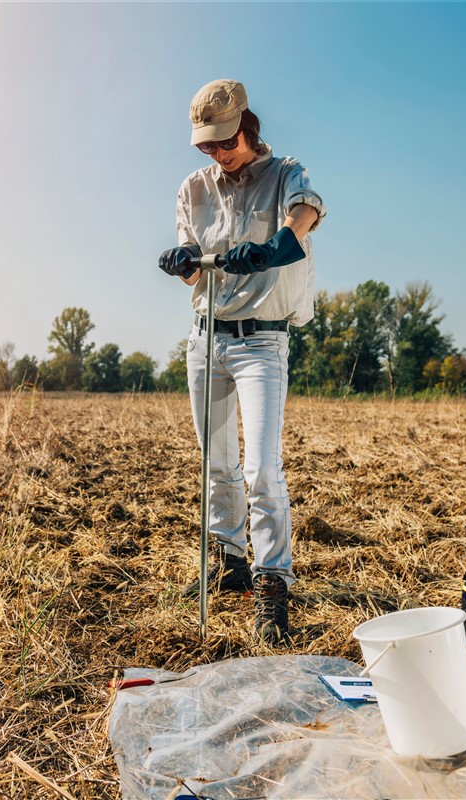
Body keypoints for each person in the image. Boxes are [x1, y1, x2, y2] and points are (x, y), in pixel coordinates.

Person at [158, 79, 325, 645]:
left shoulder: (285, 173)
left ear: (246, 128)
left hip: (261, 343)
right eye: (206, 146)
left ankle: (272, 583)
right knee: (217, 464)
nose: (217, 154)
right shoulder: (193, 189)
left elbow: (303, 216)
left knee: (260, 469)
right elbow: (198, 273)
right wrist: (182, 263)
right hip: (207, 339)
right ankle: (227, 560)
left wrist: (275, 246)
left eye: (224, 143)